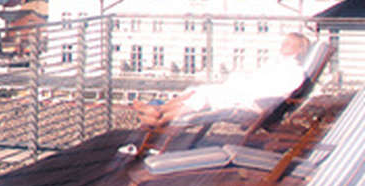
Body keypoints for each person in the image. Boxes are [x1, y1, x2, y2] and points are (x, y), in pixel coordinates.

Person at [132, 32, 310, 131]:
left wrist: (244, 89)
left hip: (254, 103)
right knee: (200, 90)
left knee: (206, 95)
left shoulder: (295, 72)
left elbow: (275, 94)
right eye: (284, 42)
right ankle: (160, 111)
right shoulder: (277, 64)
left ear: (298, 50)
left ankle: (161, 116)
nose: (282, 45)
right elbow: (256, 79)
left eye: (288, 44)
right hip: (244, 94)